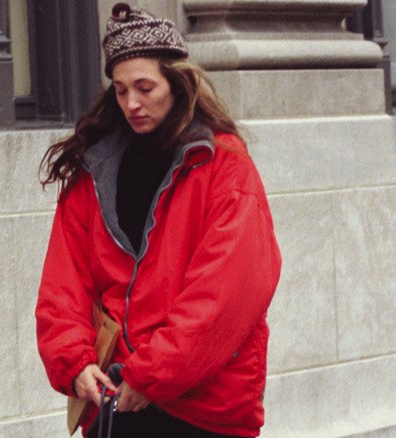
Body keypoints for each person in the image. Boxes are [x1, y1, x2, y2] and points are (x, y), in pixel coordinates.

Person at [36, 3, 281, 437]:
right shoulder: (94, 170)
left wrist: (151, 374)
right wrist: (75, 363)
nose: (132, 102)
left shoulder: (224, 166)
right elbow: (64, 283)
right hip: (113, 395)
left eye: (145, 87)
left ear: (178, 81)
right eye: (120, 89)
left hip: (201, 408)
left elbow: (224, 296)